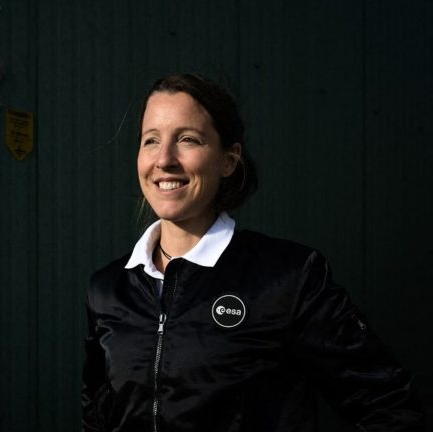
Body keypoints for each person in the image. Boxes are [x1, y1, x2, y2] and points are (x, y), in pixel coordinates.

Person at [82, 74, 426, 431]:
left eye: (187, 139)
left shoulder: (288, 279)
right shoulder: (107, 290)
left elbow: (390, 407)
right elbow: (97, 416)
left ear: (228, 160)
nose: (164, 159)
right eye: (150, 140)